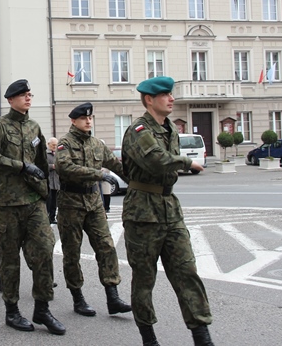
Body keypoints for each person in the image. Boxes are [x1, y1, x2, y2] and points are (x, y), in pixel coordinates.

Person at [121, 77, 213, 346]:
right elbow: (155, 161)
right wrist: (187, 162)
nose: (171, 98)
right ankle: (148, 338)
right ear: (150, 100)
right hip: (142, 212)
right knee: (144, 278)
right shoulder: (138, 130)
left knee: (187, 272)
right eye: (165, 95)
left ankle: (202, 336)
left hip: (169, 208)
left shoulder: (171, 128)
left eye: (171, 94)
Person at [0, 79, 65, 335]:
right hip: (7, 204)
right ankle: (12, 311)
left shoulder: (34, 126)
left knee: (44, 250)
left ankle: (42, 308)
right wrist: (21, 166)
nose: (28, 98)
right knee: (9, 260)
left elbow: (41, 163)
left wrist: (44, 190)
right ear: (11, 99)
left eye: (30, 94)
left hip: (33, 201)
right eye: (23, 95)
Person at [55, 103, 132, 318]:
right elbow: (64, 167)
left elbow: (117, 166)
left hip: (94, 203)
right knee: (72, 252)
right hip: (71, 203)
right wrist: (98, 174)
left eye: (90, 118)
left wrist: (137, 183)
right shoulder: (65, 143)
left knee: (106, 247)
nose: (88, 121)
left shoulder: (97, 144)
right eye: (83, 118)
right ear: (74, 121)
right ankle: (78, 298)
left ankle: (113, 297)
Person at [46, 137, 59, 224]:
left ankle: (52, 217)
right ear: (48, 144)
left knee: (54, 202)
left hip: (56, 182)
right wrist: (51, 166)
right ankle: (47, 217)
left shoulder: (58, 154)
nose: (54, 146)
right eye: (53, 145)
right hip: (48, 181)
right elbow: (42, 166)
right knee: (48, 201)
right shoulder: (45, 154)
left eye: (56, 145)